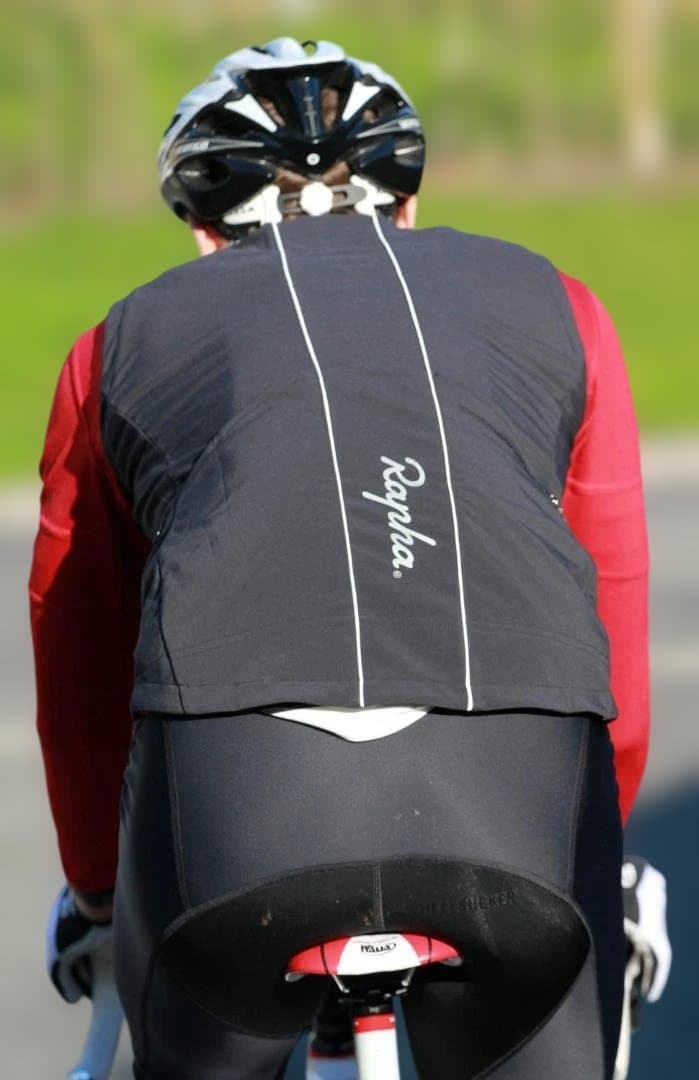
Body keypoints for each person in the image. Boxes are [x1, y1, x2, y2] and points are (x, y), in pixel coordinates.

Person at [32, 37, 669, 1080]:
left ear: (203, 233)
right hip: (516, 801)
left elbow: (82, 663)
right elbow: (617, 616)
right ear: (403, 207)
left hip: (243, 809)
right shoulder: (564, 306)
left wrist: (102, 890)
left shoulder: (117, 344)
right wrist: (604, 833)